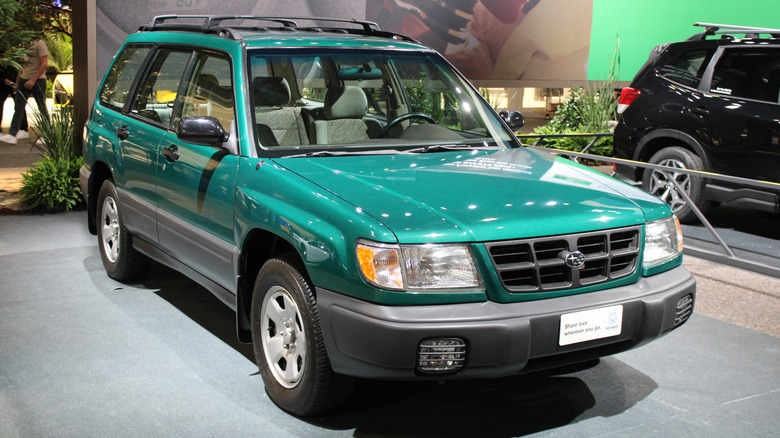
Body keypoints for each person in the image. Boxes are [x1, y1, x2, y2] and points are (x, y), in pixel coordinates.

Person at [0, 39, 49, 145]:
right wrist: (18, 82)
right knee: (18, 107)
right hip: (23, 79)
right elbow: (21, 66)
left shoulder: (40, 44)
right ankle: (12, 134)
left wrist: (33, 80)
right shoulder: (22, 44)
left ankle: (48, 135)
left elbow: (44, 64)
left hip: (38, 80)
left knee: (41, 107)